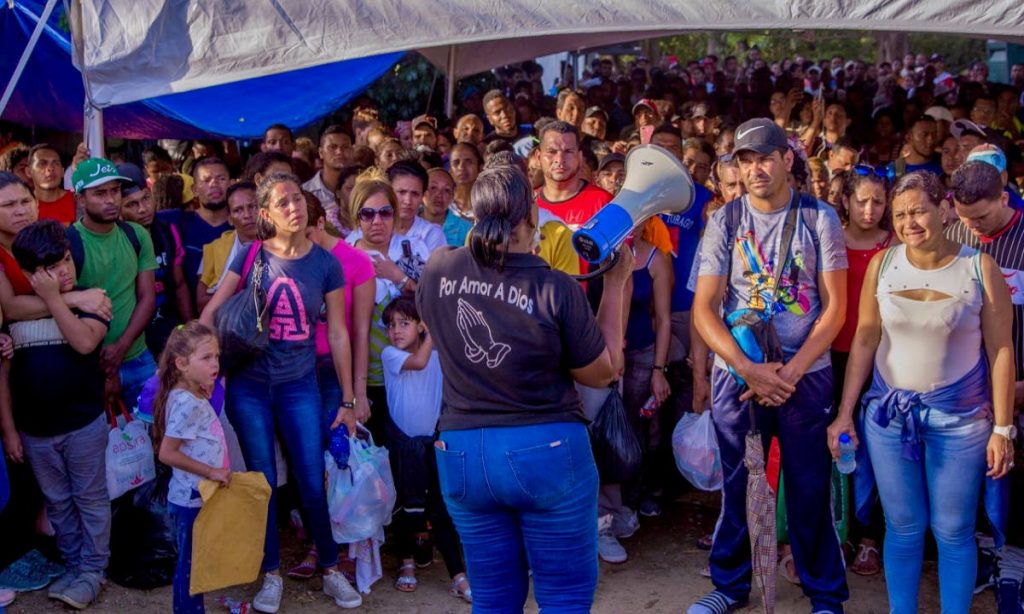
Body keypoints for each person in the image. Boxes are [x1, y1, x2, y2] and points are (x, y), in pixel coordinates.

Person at [416, 164, 632, 612]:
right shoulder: (554, 287)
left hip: (461, 454)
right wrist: (615, 285)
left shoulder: (437, 268)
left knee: (492, 601)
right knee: (564, 600)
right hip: (545, 449)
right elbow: (604, 371)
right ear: (532, 220)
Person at [829, 170, 1014, 613]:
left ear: (943, 209)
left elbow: (1001, 350)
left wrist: (1003, 429)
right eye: (900, 214)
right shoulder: (883, 264)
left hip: (963, 424)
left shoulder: (979, 267)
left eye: (918, 211)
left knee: (953, 531)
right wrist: (844, 412)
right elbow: (866, 339)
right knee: (903, 528)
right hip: (889, 420)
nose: (909, 222)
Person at [691, 118, 849, 614]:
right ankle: (730, 586)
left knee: (808, 487)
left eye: (764, 157)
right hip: (739, 377)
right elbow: (704, 309)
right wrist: (747, 368)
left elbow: (836, 307)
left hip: (805, 375)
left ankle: (824, 594)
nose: (755, 168)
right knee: (738, 484)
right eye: (745, 160)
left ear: (787, 160)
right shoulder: (725, 220)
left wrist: (791, 372)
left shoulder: (819, 217)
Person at [199, 172, 361, 612]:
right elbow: (213, 309)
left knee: (311, 479)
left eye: (298, 199)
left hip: (299, 384)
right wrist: (193, 363)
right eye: (284, 202)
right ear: (267, 213)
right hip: (249, 387)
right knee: (263, 482)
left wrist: (348, 400)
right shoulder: (251, 254)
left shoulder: (326, 264)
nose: (295, 207)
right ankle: (269, 574)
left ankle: (330, 568)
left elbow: (340, 335)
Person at [0, 220, 111, 609]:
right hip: (35, 431)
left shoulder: (95, 300)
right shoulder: (15, 317)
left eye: (65, 261)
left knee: (90, 498)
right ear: (30, 275)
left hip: (82, 424)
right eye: (50, 269)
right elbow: (6, 378)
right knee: (58, 501)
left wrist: (54, 299)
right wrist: (11, 430)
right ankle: (74, 564)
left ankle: (94, 570)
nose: (63, 272)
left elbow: (83, 343)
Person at [380, 297, 470, 601]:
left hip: (432, 443)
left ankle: (458, 575)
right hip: (404, 446)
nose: (395, 330)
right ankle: (406, 563)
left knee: (440, 510)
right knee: (407, 508)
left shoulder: (439, 355)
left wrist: (435, 328)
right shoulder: (390, 354)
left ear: (420, 325)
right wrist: (433, 330)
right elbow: (417, 362)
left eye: (405, 323)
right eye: (391, 324)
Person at [830, 170, 894, 577]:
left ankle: (870, 539)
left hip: (884, 362)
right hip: (830, 357)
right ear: (847, 202)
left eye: (878, 202)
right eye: (862, 201)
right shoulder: (829, 239)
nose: (870, 210)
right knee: (835, 446)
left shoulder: (897, 245)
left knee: (875, 453)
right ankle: (838, 531)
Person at [345, 173, 430, 441]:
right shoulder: (345, 257)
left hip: (415, 373)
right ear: (356, 218)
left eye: (385, 212)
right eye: (367, 214)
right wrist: (357, 394)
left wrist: (400, 277)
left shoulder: (412, 250)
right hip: (369, 380)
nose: (377, 221)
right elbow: (351, 331)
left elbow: (435, 304)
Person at [70, 158, 158, 412]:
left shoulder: (136, 235)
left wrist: (121, 348)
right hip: (92, 365)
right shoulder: (69, 242)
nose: (111, 199)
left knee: (157, 440)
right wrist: (108, 368)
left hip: (139, 357)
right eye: (100, 193)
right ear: (81, 200)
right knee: (104, 447)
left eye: (114, 191)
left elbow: (147, 298)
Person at [153, 322, 229, 614]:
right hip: (190, 498)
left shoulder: (191, 393)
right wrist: (211, 472)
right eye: (206, 358)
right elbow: (167, 453)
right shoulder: (187, 403)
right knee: (190, 570)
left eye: (217, 356)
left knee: (194, 565)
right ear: (182, 364)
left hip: (198, 496)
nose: (215, 363)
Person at [120, 179, 193, 357]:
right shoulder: (118, 240)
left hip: (167, 328)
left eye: (146, 199)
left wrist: (191, 328)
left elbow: (179, 284)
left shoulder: (167, 231)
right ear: (119, 210)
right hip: (133, 335)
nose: (143, 209)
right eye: (132, 204)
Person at [159, 157, 233, 306]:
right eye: (206, 180)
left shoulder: (243, 225)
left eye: (221, 178)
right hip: (184, 317)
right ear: (194, 190)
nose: (214, 184)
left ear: (231, 184)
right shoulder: (177, 221)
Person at [345, 161, 445, 253]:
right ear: (388, 192)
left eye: (415, 194)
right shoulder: (359, 234)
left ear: (422, 196)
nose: (408, 201)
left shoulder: (431, 234)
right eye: (402, 192)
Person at [535, 121, 612, 230]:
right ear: (538, 157)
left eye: (568, 151)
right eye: (551, 152)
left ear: (580, 158)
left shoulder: (604, 204)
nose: (560, 160)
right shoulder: (527, 204)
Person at [196, 181, 259, 311]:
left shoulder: (282, 245)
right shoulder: (215, 249)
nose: (247, 215)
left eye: (253, 207)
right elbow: (201, 302)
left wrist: (224, 296)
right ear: (229, 218)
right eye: (238, 210)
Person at [303, 125, 354, 233]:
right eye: (333, 147)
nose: (339, 152)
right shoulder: (305, 192)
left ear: (352, 151)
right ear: (321, 153)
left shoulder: (365, 187)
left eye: (345, 147)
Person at [421, 168, 471, 247]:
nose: (439, 194)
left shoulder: (466, 229)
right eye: (433, 187)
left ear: (452, 196)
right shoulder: (407, 221)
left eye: (446, 190)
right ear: (421, 191)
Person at [27, 144, 76, 225]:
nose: (50, 168)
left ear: (62, 172)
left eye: (56, 163)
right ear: (29, 172)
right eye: (42, 163)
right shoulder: (22, 207)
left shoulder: (78, 200)